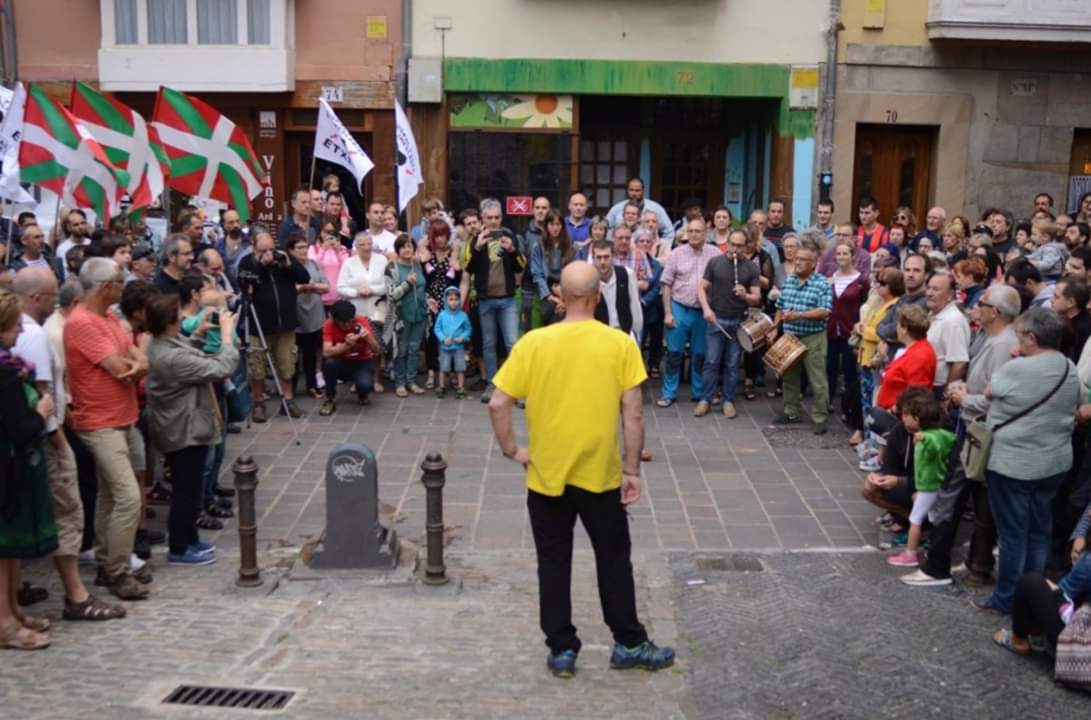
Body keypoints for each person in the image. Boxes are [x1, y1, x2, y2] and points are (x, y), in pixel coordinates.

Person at [487, 261, 675, 679]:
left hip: (546, 474)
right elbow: (634, 415)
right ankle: (628, 641)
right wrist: (632, 469)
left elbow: (498, 403)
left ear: (560, 296)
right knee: (613, 558)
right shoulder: (619, 344)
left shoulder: (535, 343)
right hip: (599, 474)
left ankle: (562, 648)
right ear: (595, 297)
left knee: (553, 561)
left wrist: (513, 450)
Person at [10, 269, 126, 624]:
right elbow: (42, 393)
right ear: (35, 298)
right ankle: (76, 595)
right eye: (50, 295)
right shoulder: (30, 335)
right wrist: (59, 439)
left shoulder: (30, 331)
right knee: (68, 515)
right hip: (47, 436)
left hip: (40, 434)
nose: (56, 300)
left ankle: (14, 594)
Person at [902, 284, 1021, 587]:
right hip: (975, 429)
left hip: (978, 431)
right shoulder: (991, 338)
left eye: (981, 303)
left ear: (995, 312)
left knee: (951, 496)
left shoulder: (1002, 345)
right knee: (970, 499)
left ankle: (937, 566)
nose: (975, 307)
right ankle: (973, 564)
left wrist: (965, 397)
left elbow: (997, 396)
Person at [973, 307, 1081, 615]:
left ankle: (1006, 596)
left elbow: (990, 392)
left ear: (1031, 338)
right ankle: (1031, 596)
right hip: (1054, 463)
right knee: (1038, 531)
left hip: (1014, 464)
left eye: (1020, 335)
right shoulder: (1068, 367)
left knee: (1013, 535)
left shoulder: (1017, 368)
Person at [64, 258, 149, 600]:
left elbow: (137, 356)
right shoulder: (83, 323)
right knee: (129, 497)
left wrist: (139, 363)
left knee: (110, 497)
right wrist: (138, 364)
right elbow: (121, 368)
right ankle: (118, 570)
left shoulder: (109, 317)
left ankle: (105, 562)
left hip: (122, 416)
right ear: (104, 288)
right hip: (100, 423)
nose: (122, 286)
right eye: (118, 281)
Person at [144, 293, 236, 566]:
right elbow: (221, 367)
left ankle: (190, 539)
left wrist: (197, 334)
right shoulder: (168, 356)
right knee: (186, 491)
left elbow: (187, 352)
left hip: (182, 424)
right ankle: (180, 548)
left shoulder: (163, 343)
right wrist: (228, 337)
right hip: (183, 430)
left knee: (191, 487)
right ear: (171, 322)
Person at [0, 288, 60, 650]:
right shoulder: (6, 375)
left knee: (8, 550)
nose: (20, 333)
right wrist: (40, 413)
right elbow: (18, 428)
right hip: (6, 466)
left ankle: (12, 610)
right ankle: (5, 622)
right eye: (13, 327)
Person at [236, 230, 310, 422]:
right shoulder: (248, 263)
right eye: (263, 250)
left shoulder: (283, 261)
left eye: (271, 248)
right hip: (258, 323)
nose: (269, 253)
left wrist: (288, 264)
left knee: (287, 364)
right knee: (257, 367)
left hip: (285, 323)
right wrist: (262, 265)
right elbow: (245, 283)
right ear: (254, 247)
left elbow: (304, 277)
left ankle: (288, 400)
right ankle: (259, 402)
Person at [657, 216, 721, 408]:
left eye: (698, 231)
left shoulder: (715, 254)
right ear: (686, 233)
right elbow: (666, 284)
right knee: (674, 353)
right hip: (679, 307)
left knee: (701, 353)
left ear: (705, 233)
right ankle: (669, 393)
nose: (694, 234)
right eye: (690, 231)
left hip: (703, 311)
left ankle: (699, 392)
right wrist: (668, 313)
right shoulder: (676, 254)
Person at [769, 242, 833, 433]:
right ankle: (791, 411)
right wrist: (774, 327)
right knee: (789, 376)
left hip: (813, 336)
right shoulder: (789, 281)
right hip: (790, 335)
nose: (797, 263)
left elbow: (825, 311)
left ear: (813, 263)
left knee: (817, 379)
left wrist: (798, 315)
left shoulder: (821, 283)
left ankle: (820, 418)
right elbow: (780, 306)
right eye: (796, 259)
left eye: (802, 260)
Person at [886, 393, 956, 568]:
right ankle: (930, 547)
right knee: (934, 518)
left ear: (916, 419)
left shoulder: (928, 437)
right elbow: (952, 441)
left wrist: (924, 440)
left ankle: (910, 554)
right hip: (938, 485)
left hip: (928, 485)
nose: (903, 419)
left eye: (906, 415)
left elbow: (934, 448)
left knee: (916, 519)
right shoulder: (942, 433)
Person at [696, 229, 759, 419]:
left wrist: (745, 295)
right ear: (728, 244)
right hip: (717, 320)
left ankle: (728, 400)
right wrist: (706, 309)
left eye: (740, 245)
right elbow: (701, 288)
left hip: (738, 321)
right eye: (732, 244)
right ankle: (705, 399)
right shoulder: (715, 262)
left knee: (732, 365)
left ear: (746, 247)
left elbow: (756, 298)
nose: (735, 249)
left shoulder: (751, 268)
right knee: (711, 362)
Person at [468, 199, 525, 402]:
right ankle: (492, 384)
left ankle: (516, 386)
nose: (493, 222)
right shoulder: (476, 238)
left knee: (512, 343)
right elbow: (468, 268)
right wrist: (477, 247)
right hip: (486, 300)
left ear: (502, 217)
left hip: (507, 299)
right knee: (489, 344)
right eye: (489, 218)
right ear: (483, 218)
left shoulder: (510, 236)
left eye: (497, 217)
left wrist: (512, 250)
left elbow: (520, 266)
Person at [337, 233, 389, 392]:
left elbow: (389, 284)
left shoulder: (382, 260)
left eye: (369, 244)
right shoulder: (349, 263)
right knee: (358, 345)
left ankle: (377, 378)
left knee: (376, 345)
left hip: (377, 310)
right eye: (362, 245)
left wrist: (372, 290)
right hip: (357, 310)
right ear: (356, 246)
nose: (366, 247)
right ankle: (357, 378)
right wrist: (356, 292)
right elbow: (341, 287)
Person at [827, 238, 869, 430]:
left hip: (850, 331)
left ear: (853, 256)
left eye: (845, 253)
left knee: (850, 371)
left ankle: (848, 408)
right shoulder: (830, 276)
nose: (841, 257)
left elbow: (865, 304)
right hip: (831, 330)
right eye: (839, 253)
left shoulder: (861, 280)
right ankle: (827, 402)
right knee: (830, 368)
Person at [420, 219, 462, 390]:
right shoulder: (428, 253)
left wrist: (455, 259)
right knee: (431, 337)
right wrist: (422, 250)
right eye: (436, 235)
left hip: (450, 301)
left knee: (450, 336)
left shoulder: (454, 252)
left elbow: (457, 278)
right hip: (431, 300)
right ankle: (432, 372)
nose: (440, 239)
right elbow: (424, 279)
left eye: (443, 235)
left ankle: (451, 372)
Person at [385, 234, 429, 398]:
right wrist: (407, 284)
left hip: (420, 315)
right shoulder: (392, 268)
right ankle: (400, 382)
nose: (407, 249)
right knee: (401, 350)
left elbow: (423, 287)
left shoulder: (417, 265)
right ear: (397, 250)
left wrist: (428, 300)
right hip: (401, 316)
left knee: (414, 349)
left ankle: (412, 381)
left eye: (410, 246)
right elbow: (391, 295)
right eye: (403, 246)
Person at [319, 300, 379, 416]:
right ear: (335, 320)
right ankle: (330, 399)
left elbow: (376, 349)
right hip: (340, 362)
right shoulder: (328, 325)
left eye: (350, 322)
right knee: (329, 363)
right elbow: (326, 352)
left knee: (365, 384)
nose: (347, 325)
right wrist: (346, 345)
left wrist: (368, 338)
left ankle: (362, 393)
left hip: (361, 362)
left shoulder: (361, 320)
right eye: (343, 323)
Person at [873, 305, 936, 412]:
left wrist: (893, 410)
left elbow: (915, 397)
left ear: (904, 329)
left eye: (897, 324)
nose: (896, 327)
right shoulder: (912, 349)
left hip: (898, 420)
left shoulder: (920, 356)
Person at [289, 234, 329, 399]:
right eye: (299, 248)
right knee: (292, 355)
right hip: (295, 314)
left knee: (311, 353)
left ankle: (311, 386)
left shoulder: (314, 264)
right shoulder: (287, 266)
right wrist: (300, 288)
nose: (303, 251)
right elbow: (287, 288)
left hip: (314, 314)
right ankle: (290, 388)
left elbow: (326, 286)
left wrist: (313, 286)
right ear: (291, 251)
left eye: (305, 247)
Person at [589, 239, 644, 342]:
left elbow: (635, 305)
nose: (602, 262)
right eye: (599, 257)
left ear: (613, 256)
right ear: (593, 258)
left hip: (623, 333)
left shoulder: (627, 274)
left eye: (606, 257)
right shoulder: (587, 279)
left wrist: (636, 333)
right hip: (598, 336)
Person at [925, 273, 970, 396]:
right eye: (928, 288)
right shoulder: (934, 314)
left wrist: (946, 395)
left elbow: (959, 363)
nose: (929, 293)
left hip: (939, 389)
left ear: (950, 295)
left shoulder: (953, 321)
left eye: (936, 289)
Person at [877, 254, 930, 357]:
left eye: (916, 270)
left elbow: (892, 331)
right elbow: (880, 327)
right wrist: (890, 333)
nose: (910, 274)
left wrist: (889, 334)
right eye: (907, 270)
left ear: (926, 275)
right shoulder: (902, 298)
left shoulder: (926, 302)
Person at [607, 177, 674, 243]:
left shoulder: (656, 208)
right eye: (631, 190)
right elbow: (605, 228)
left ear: (643, 190)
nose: (634, 193)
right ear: (627, 191)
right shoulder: (617, 208)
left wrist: (662, 247)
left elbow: (669, 231)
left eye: (637, 190)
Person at [433, 287, 471, 399]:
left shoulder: (463, 315)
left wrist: (462, 337)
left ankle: (461, 388)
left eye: (456, 299)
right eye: (450, 299)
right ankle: (441, 386)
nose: (453, 302)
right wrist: (443, 338)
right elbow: (437, 328)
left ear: (460, 300)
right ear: (446, 300)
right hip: (445, 347)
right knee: (443, 368)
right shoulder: (442, 315)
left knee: (460, 368)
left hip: (458, 347)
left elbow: (468, 329)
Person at [520, 197, 549, 331]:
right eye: (537, 208)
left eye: (544, 208)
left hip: (549, 285)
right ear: (532, 210)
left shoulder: (554, 231)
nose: (540, 211)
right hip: (529, 285)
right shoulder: (524, 232)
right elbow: (520, 260)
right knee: (529, 324)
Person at [308, 221, 349, 312]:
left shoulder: (342, 249)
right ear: (320, 232)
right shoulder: (313, 249)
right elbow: (314, 268)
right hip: (320, 298)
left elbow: (347, 268)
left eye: (332, 232)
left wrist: (338, 251)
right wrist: (323, 249)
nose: (329, 235)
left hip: (339, 298)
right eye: (326, 231)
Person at [1055, 278, 1091, 362]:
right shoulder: (1064, 321)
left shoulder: (1083, 330)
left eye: (1056, 297)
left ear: (1071, 302)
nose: (1051, 300)